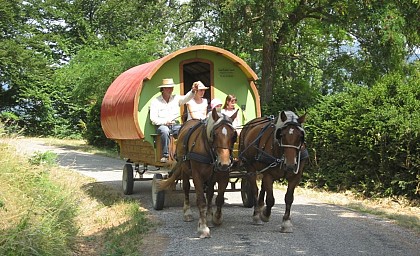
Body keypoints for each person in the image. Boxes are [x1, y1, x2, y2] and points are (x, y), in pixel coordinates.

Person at [150, 78, 198, 163]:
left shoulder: (176, 98)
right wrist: (165, 122)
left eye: (171, 88)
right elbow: (153, 119)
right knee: (165, 131)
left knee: (185, 130)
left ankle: (183, 153)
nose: (171, 90)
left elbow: (186, 98)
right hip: (162, 126)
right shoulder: (156, 101)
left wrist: (193, 90)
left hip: (175, 125)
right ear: (163, 89)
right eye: (168, 88)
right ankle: (165, 155)